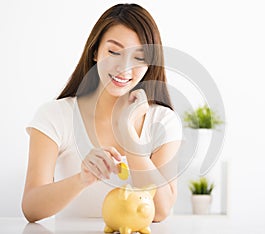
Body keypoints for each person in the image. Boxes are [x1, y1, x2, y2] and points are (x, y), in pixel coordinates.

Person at [22, 3, 182, 223]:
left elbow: (161, 211)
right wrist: (82, 178)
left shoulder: (163, 121)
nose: (124, 68)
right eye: (114, 51)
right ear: (95, 51)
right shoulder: (55, 115)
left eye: (138, 57)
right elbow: (31, 208)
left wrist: (129, 137)